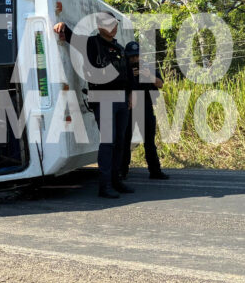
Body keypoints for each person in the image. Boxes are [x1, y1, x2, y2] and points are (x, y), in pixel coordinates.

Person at [53, 11, 134, 198]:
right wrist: (63, 27)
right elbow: (72, 38)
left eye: (115, 24)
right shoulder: (91, 43)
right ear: (99, 26)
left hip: (122, 99)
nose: (113, 27)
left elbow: (128, 75)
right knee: (108, 141)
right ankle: (105, 186)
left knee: (121, 142)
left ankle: (116, 180)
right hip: (103, 97)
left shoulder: (120, 49)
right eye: (108, 23)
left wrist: (130, 95)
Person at [119, 41, 169, 181]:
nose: (135, 59)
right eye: (132, 57)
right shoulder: (123, 68)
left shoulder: (148, 67)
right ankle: (122, 171)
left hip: (145, 105)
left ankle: (155, 171)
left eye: (137, 56)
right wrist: (129, 75)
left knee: (149, 141)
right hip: (128, 106)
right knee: (125, 140)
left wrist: (149, 76)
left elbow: (160, 84)